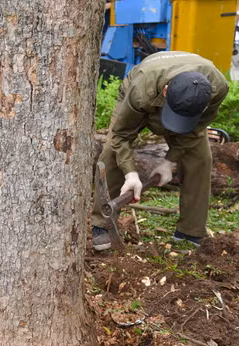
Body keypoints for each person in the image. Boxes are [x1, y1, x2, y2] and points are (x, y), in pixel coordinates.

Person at [91, 51, 229, 251]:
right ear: (165, 91)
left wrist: (168, 161)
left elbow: (197, 128)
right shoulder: (140, 91)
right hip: (142, 95)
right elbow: (122, 136)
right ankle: (102, 224)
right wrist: (130, 173)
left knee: (200, 159)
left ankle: (189, 232)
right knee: (111, 153)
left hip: (182, 100)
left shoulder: (217, 88)